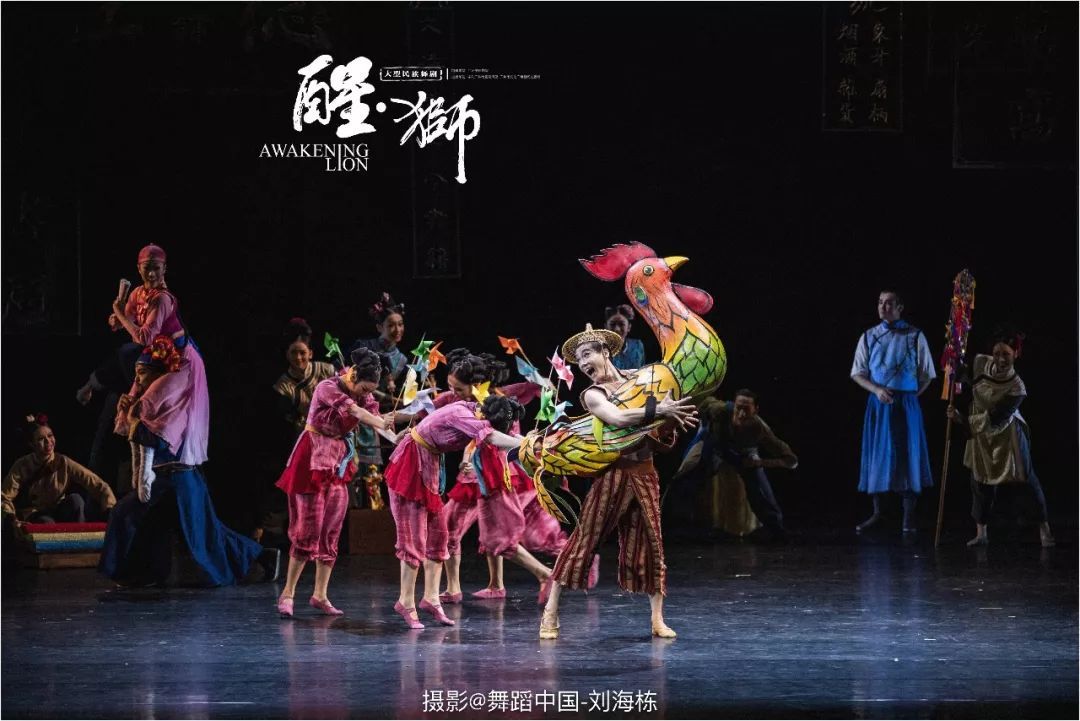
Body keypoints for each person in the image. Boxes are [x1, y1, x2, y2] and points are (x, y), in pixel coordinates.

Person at [539, 324, 698, 640]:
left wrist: (670, 420)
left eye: (587, 354)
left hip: (645, 473)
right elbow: (618, 418)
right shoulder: (593, 394)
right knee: (585, 540)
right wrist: (659, 409)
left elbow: (656, 428)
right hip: (613, 474)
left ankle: (657, 619)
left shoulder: (639, 380)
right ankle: (550, 612)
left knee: (652, 542)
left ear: (605, 352)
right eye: (578, 360)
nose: (583, 363)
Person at [99, 336, 274, 587]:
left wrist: (134, 419)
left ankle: (261, 556)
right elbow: (132, 437)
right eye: (136, 375)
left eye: (142, 374)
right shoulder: (148, 402)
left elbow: (156, 439)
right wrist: (127, 412)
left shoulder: (175, 402)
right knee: (143, 520)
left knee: (203, 534)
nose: (137, 380)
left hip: (180, 478)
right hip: (162, 480)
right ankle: (145, 573)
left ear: (159, 376)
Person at [434, 350, 573, 604]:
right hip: (474, 475)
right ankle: (482, 585)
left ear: (477, 383)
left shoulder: (500, 397)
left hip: (496, 474)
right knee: (451, 527)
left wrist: (543, 383)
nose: (453, 392)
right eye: (451, 387)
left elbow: (541, 389)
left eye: (458, 388)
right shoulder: (456, 400)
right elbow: (425, 408)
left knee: (499, 535)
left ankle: (546, 574)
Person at [383, 394, 526, 629]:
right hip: (410, 468)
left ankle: (431, 598)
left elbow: (504, 436)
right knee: (413, 539)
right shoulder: (463, 415)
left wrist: (533, 441)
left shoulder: (472, 410)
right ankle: (405, 602)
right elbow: (491, 436)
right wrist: (525, 445)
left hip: (429, 467)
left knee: (439, 537)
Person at [275, 348, 394, 618]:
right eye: (364, 388)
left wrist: (401, 436)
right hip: (312, 460)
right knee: (308, 528)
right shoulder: (327, 387)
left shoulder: (364, 395)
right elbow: (357, 412)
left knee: (331, 528)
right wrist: (380, 421)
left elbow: (377, 421)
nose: (366, 394)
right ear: (353, 375)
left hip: (337, 462)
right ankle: (288, 593)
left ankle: (320, 594)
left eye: (370, 391)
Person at [947, 331, 1054, 548]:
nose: (1001, 359)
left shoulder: (1017, 387)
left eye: (1006, 354)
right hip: (981, 433)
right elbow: (961, 376)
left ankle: (1044, 528)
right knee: (980, 479)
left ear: (1016, 354)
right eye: (997, 353)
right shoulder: (980, 363)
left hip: (1006, 433)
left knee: (1026, 479)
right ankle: (981, 533)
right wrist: (953, 359)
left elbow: (997, 418)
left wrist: (962, 420)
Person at [106, 244, 210, 466]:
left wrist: (119, 315)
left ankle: (152, 465)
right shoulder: (138, 293)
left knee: (145, 406)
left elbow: (144, 337)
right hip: (156, 359)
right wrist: (117, 319)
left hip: (180, 362)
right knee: (128, 405)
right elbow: (126, 321)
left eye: (156, 268)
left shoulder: (162, 299)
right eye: (147, 268)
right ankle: (140, 468)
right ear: (139, 268)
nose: (151, 274)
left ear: (164, 269)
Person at [851, 290, 936, 535]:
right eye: (880, 302)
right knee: (878, 454)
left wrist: (910, 396)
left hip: (906, 404)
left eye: (889, 303)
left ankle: (908, 516)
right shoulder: (869, 336)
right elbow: (858, 372)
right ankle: (879, 513)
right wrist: (877, 390)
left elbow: (927, 374)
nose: (883, 307)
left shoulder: (915, 335)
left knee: (907, 455)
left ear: (900, 307)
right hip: (879, 404)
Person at [675, 389, 797, 541]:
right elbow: (697, 403)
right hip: (714, 443)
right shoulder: (719, 409)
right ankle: (679, 522)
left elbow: (791, 461)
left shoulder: (760, 428)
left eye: (747, 410)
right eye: (738, 408)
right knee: (688, 472)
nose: (741, 414)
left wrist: (760, 462)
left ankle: (776, 530)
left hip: (743, 453)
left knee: (758, 487)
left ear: (756, 410)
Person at [3, 413, 116, 523]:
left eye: (50, 436)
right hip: (35, 513)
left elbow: (96, 484)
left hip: (59, 510)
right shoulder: (22, 465)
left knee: (76, 500)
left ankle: (81, 535)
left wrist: (110, 508)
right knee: (46, 522)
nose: (48, 442)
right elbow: (4, 496)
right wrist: (10, 517)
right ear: (32, 444)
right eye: (41, 439)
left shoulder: (63, 462)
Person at [350, 292, 408, 414]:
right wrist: (395, 400)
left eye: (400, 324)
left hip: (379, 414)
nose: (398, 330)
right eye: (391, 325)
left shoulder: (402, 359)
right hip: (353, 408)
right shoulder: (363, 347)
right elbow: (352, 381)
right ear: (379, 327)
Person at [605, 304, 646, 371]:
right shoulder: (600, 349)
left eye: (621, 324)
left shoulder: (638, 345)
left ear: (629, 327)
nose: (617, 329)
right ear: (606, 327)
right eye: (612, 324)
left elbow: (642, 370)